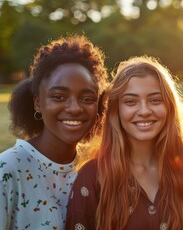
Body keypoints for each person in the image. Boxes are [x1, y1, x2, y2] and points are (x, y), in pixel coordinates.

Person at [66, 56, 183, 230]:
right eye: (131, 102)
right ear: (116, 110)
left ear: (169, 107)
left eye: (155, 100)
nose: (144, 111)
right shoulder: (93, 176)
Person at [0, 35, 108, 229]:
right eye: (59, 96)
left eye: (87, 98)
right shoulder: (7, 171)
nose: (74, 108)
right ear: (37, 103)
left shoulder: (94, 167)